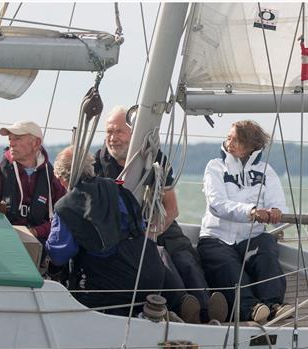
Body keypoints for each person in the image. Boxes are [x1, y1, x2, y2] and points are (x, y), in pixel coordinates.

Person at [94, 106, 226, 324]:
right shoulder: (98, 164)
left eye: (119, 132)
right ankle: (186, 308)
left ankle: (207, 311)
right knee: (159, 256)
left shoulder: (155, 158)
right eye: (109, 132)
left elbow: (172, 208)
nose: (112, 138)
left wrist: (154, 229)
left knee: (184, 257)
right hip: (125, 233)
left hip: (158, 222)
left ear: (134, 133)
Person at [46, 145, 199, 321]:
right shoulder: (118, 188)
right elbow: (140, 225)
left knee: (83, 295)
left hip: (110, 285)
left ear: (59, 178)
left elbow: (59, 254)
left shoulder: (65, 207)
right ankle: (158, 315)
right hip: (150, 272)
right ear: (91, 167)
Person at [197, 120, 293, 324]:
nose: (230, 143)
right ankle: (251, 308)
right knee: (227, 266)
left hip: (251, 238)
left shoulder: (266, 171)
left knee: (267, 250)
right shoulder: (215, 167)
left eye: (237, 140)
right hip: (216, 237)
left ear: (252, 146)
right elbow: (217, 205)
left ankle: (274, 304)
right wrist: (251, 212)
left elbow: (278, 203)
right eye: (229, 137)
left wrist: (276, 212)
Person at [0, 120, 67, 242]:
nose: (12, 144)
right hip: (4, 238)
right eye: (10, 139)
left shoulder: (52, 177)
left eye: (18, 139)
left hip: (40, 241)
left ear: (36, 143)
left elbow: (63, 217)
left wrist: (36, 232)